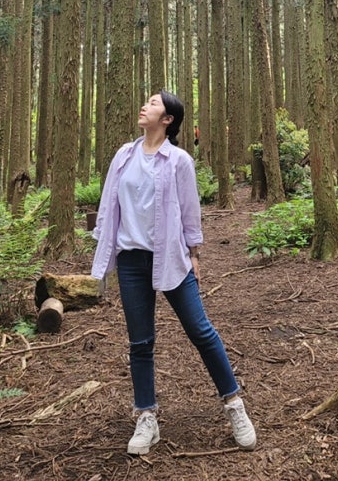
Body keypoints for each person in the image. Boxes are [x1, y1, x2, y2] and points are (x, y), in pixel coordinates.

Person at [91, 89, 256, 456]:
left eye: (153, 103)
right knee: (140, 343)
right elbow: (108, 204)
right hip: (132, 261)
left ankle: (233, 404)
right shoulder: (124, 155)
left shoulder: (179, 160)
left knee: (201, 331)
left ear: (167, 119)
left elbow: (189, 210)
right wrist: (104, 248)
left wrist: (194, 253)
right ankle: (146, 417)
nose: (144, 105)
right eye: (146, 100)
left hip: (170, 257)